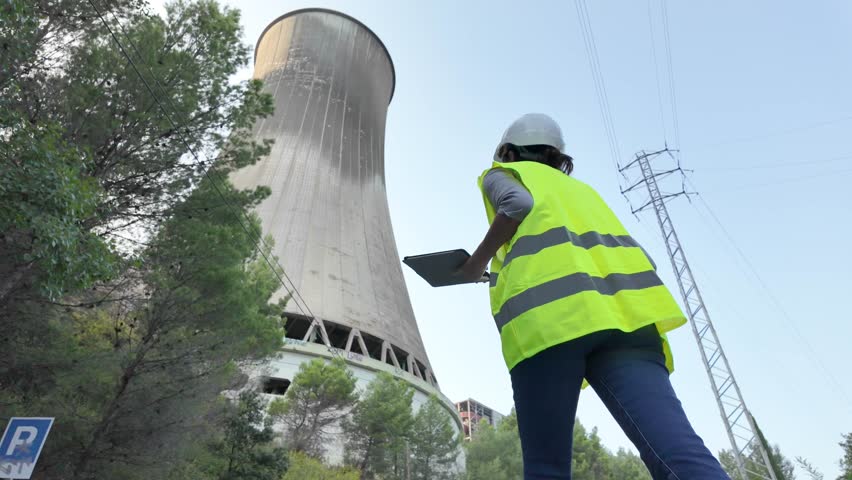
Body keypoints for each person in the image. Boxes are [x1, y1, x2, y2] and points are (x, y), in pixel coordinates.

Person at [458, 113, 730, 479]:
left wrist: (476, 265)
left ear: (506, 150)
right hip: (628, 320)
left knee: (546, 467)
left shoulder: (502, 173)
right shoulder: (583, 192)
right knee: (678, 451)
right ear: (557, 157)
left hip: (550, 325)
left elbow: (517, 204)